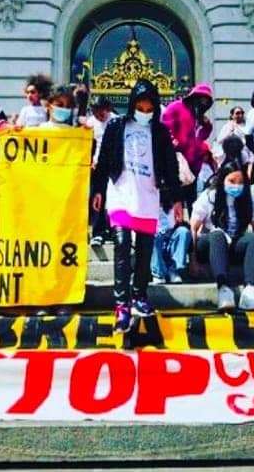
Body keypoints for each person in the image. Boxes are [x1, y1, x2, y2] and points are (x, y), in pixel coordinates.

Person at [92, 80, 182, 333]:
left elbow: (171, 167)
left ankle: (139, 295)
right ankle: (121, 304)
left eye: (149, 107)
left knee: (144, 249)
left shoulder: (161, 132)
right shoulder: (116, 126)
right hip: (120, 192)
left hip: (148, 196)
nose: (144, 111)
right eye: (140, 106)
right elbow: (103, 159)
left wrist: (176, 199)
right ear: (132, 105)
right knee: (122, 245)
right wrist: (98, 189)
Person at [190, 160, 254, 312]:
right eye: (232, 181)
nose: (236, 186)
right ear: (223, 180)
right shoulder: (209, 196)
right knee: (217, 234)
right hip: (210, 244)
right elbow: (193, 228)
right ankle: (223, 289)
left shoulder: (250, 199)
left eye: (240, 182)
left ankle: (250, 290)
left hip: (234, 243)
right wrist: (193, 260)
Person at [161, 83, 214, 210]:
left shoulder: (198, 115)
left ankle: (191, 225)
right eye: (201, 99)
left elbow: (201, 136)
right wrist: (171, 142)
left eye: (206, 101)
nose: (203, 103)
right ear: (194, 97)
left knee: (191, 199)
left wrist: (207, 126)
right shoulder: (176, 107)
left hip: (193, 163)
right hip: (177, 160)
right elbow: (164, 127)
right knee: (173, 196)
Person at [87, 96, 115, 246]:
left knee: (113, 199)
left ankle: (112, 230)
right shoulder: (90, 124)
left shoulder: (117, 121)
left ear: (108, 109)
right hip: (97, 168)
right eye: (95, 112)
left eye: (101, 112)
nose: (99, 116)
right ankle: (97, 232)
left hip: (113, 168)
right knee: (97, 198)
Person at [151, 203, 192, 284]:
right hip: (155, 241)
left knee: (183, 232)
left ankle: (173, 271)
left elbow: (179, 222)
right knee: (154, 236)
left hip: (170, 238)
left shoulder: (175, 203)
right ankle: (158, 274)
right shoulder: (148, 202)